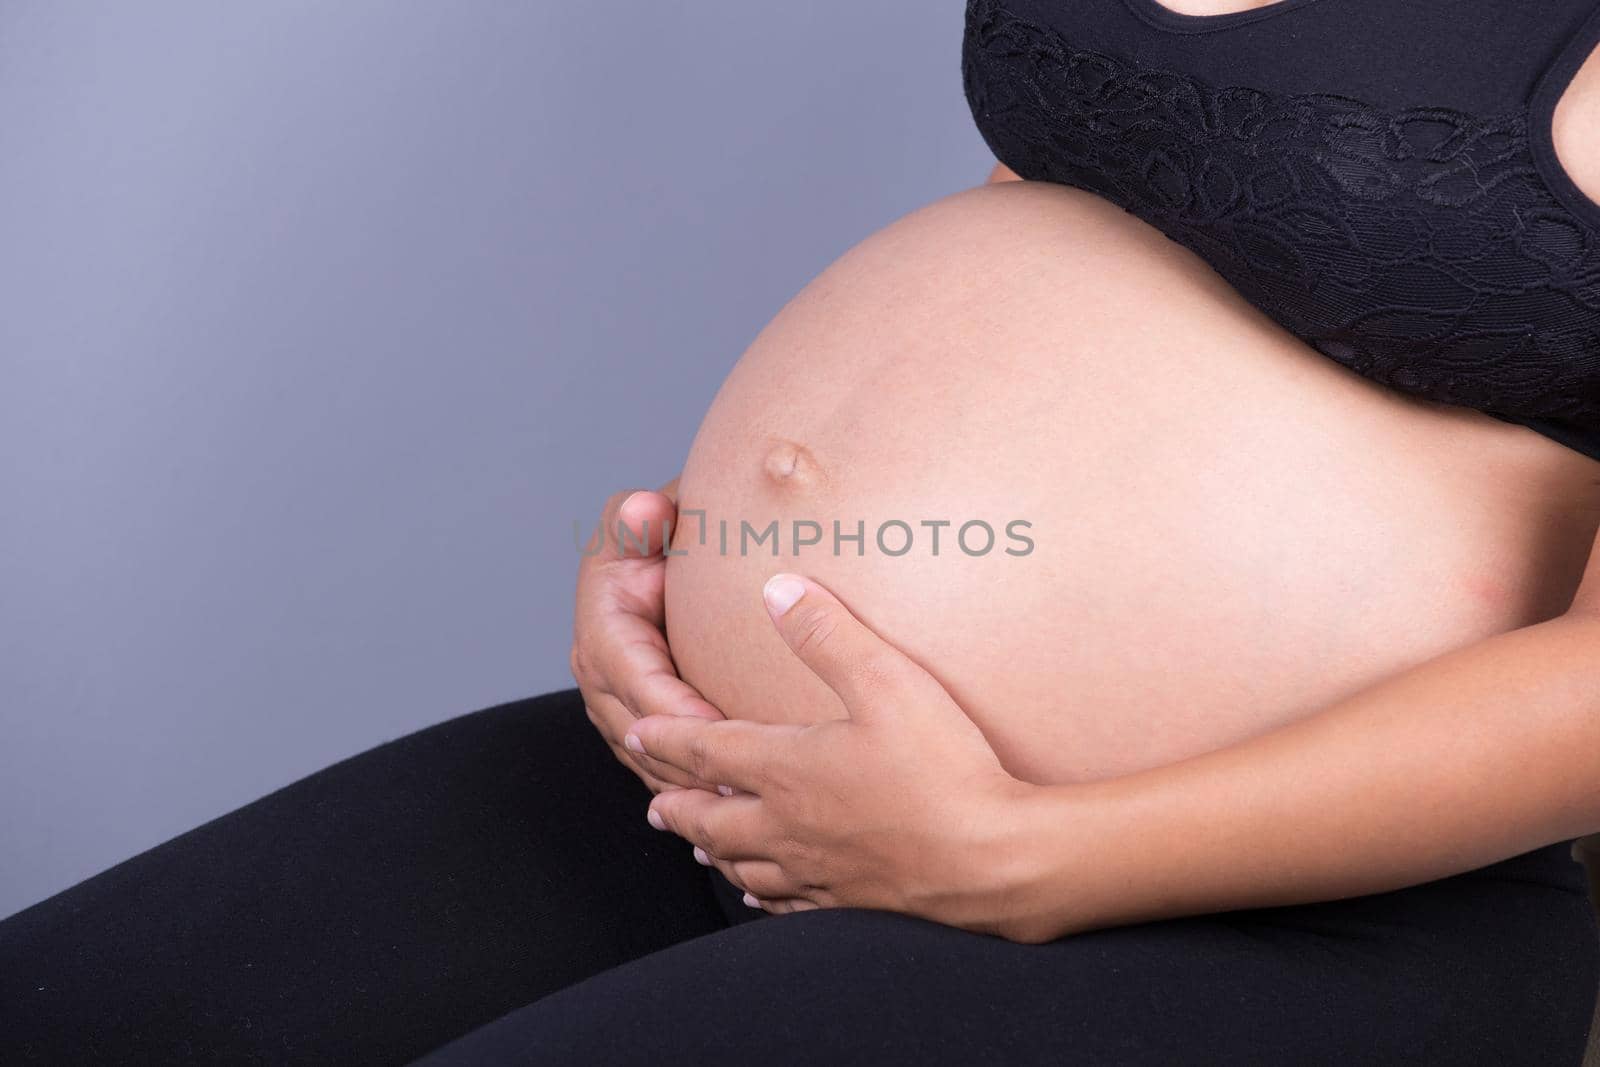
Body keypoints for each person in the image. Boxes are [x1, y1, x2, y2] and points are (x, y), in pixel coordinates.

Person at [7, 1, 1600, 1063]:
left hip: (1270, 908)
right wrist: (717, 562)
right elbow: (1137, 200)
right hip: (738, 791)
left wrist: (1025, 852)